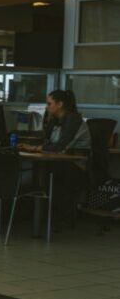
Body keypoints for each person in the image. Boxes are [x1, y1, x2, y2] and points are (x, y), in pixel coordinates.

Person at [20, 90, 90, 221]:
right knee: (37, 168)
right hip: (59, 161)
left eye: (49, 104)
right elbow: (46, 141)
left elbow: (60, 147)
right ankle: (35, 212)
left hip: (76, 167)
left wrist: (36, 148)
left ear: (60, 104)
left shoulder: (73, 120)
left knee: (43, 171)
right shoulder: (55, 120)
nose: (47, 107)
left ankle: (46, 215)